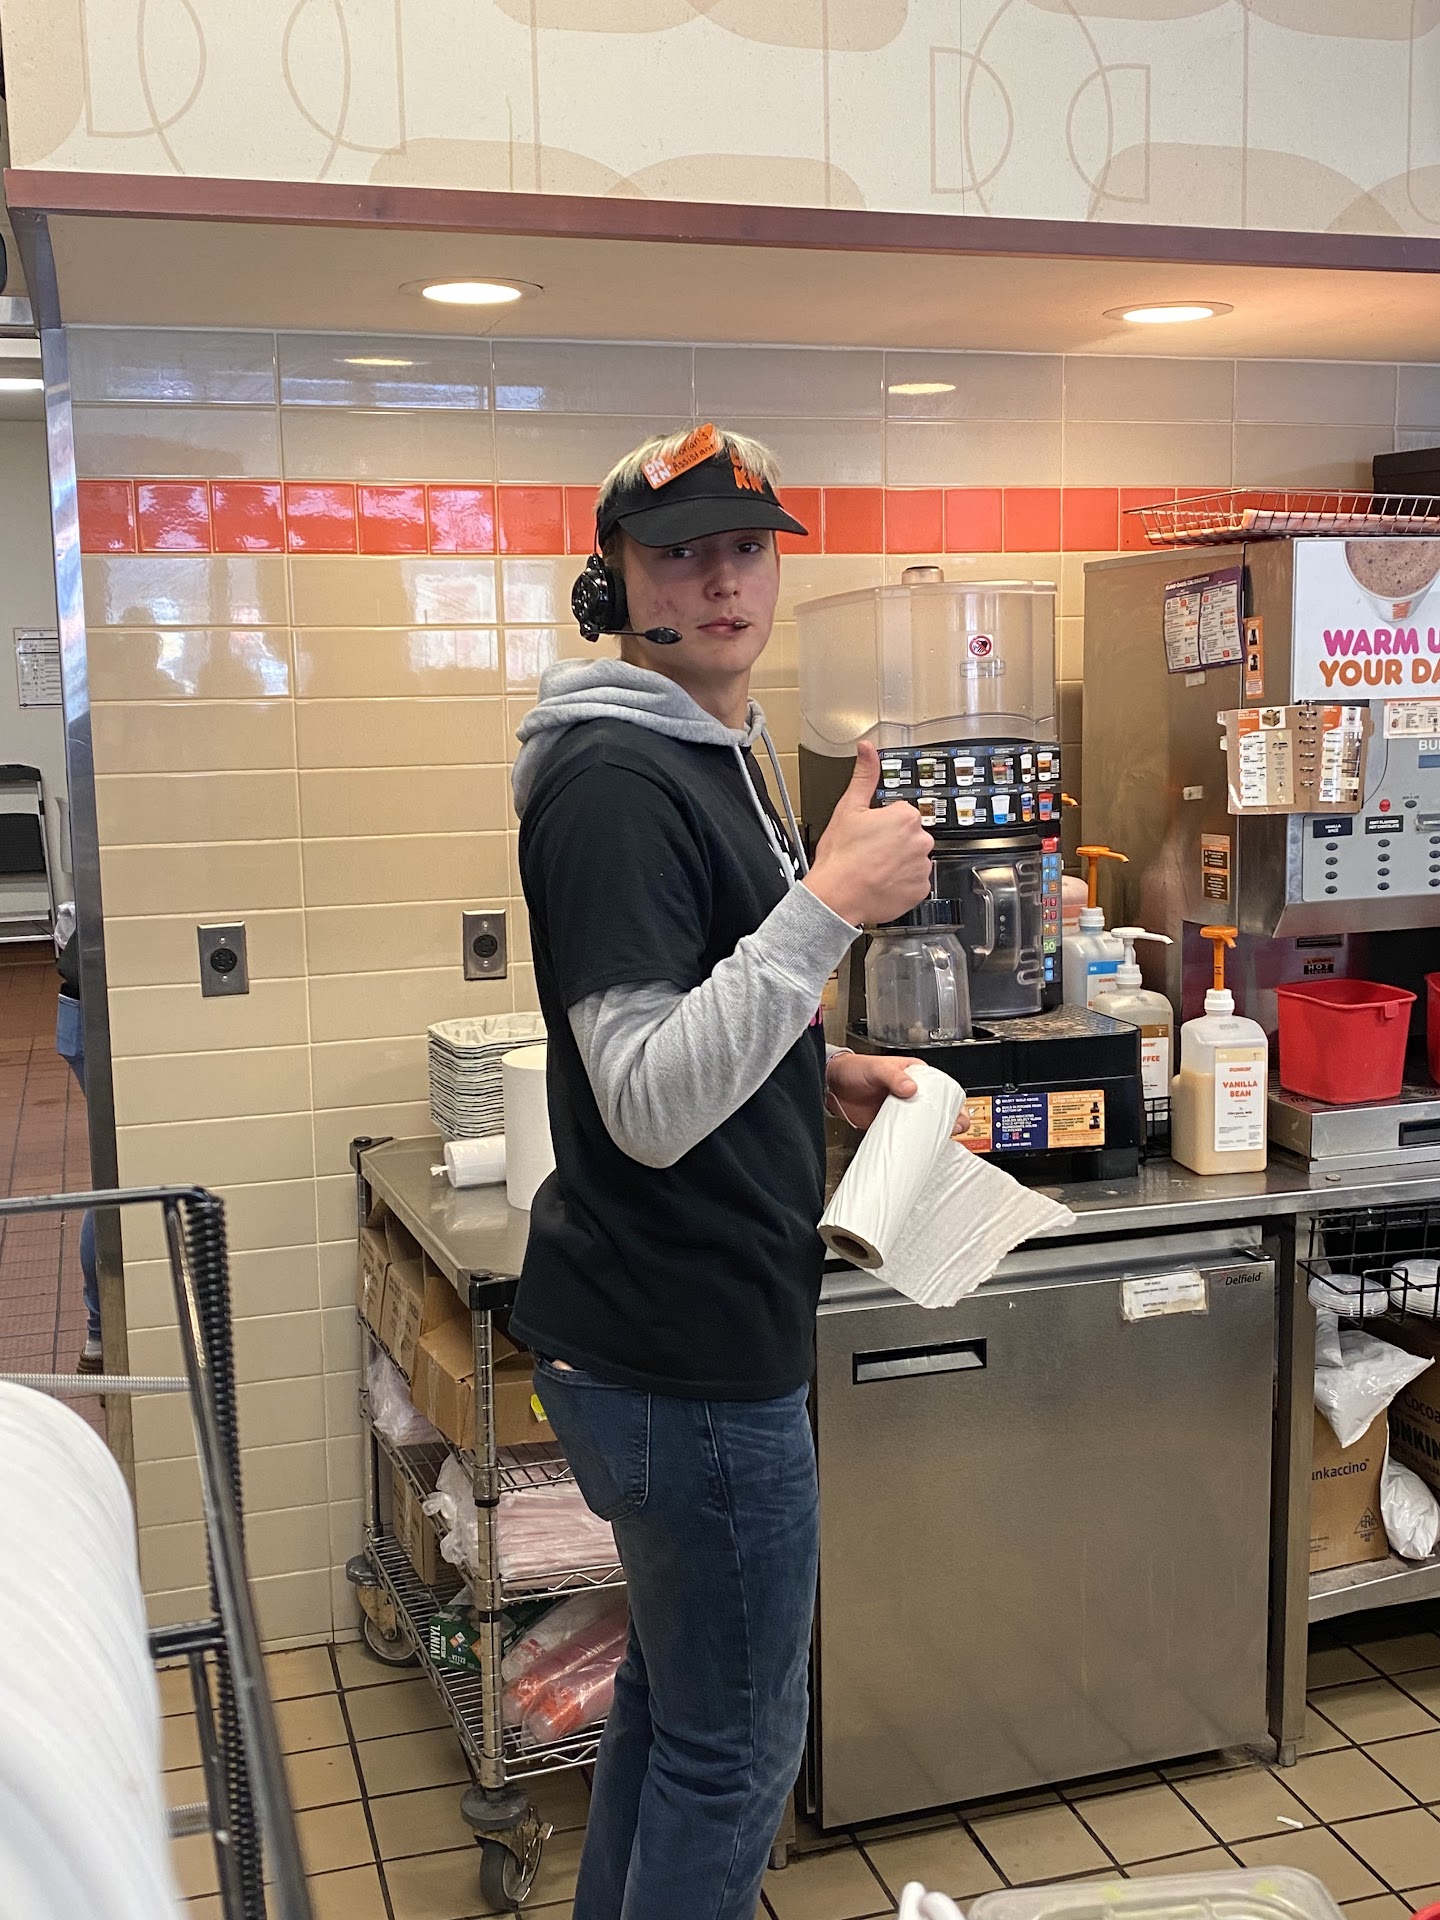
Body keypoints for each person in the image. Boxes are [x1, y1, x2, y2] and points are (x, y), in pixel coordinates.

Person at [508, 423, 938, 1920]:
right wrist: (830, 906)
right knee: (738, 1749)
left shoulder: (712, 753)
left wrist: (824, 1067)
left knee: (675, 1713)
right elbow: (640, 1099)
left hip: (682, 1330)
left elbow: (712, 1010)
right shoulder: (615, 780)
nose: (723, 577)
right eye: (680, 549)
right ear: (613, 581)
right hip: (682, 1354)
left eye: (747, 546)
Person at [54, 912, 101, 1373]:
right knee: (116, 1179)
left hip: (84, 1007)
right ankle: (100, 1333)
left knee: (114, 1175)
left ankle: (99, 1336)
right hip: (98, 1015)